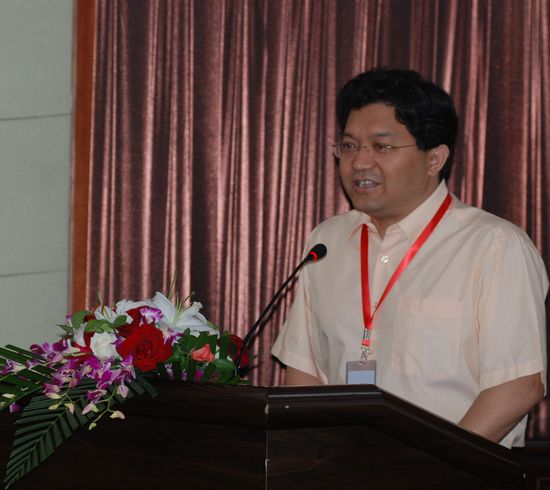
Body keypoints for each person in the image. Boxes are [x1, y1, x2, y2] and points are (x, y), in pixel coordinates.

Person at [271, 68, 548, 448]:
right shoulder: (327, 242)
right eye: (349, 146)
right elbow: (304, 371)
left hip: (451, 472)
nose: (359, 162)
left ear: (434, 159)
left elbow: (517, 385)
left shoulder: (495, 246)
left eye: (381, 147)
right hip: (341, 471)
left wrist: (431, 468)